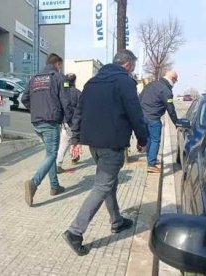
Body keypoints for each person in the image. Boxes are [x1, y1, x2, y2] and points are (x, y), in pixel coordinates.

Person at [62, 50, 148, 256]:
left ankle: (117, 221)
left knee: (109, 183)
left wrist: (75, 139)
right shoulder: (125, 83)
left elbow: (79, 112)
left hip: (93, 143)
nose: (133, 71)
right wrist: (143, 139)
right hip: (112, 143)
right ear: (127, 65)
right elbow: (135, 113)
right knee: (102, 186)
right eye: (133, 67)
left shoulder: (92, 83)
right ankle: (75, 232)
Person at [22, 53, 73, 207]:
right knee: (52, 154)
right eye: (60, 66)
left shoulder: (34, 79)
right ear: (57, 64)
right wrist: (69, 120)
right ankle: (33, 183)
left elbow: (24, 99)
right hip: (50, 122)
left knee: (49, 155)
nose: (60, 68)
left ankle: (55, 186)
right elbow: (65, 100)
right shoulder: (58, 77)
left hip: (36, 123)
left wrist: (36, 110)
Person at [139, 70, 179, 173]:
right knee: (155, 140)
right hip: (153, 118)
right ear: (173, 80)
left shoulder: (151, 84)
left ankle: (150, 159)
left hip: (143, 116)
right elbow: (171, 109)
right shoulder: (166, 90)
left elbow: (140, 98)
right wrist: (176, 123)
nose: (175, 83)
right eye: (175, 81)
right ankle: (151, 164)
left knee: (148, 139)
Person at [56, 73, 82, 173]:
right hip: (76, 121)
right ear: (74, 81)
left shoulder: (62, 93)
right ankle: (59, 163)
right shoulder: (78, 93)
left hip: (65, 121)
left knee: (65, 142)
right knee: (71, 140)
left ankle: (71, 158)